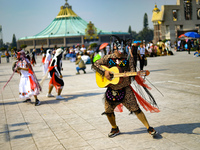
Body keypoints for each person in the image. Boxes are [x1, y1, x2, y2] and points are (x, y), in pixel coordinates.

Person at [92, 36, 159, 138]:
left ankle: (148, 127)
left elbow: (132, 70)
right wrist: (104, 71)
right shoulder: (108, 58)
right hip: (112, 88)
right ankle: (114, 128)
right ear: (115, 48)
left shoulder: (128, 58)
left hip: (125, 89)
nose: (121, 53)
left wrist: (132, 73)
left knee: (136, 109)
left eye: (122, 51)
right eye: (119, 51)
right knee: (108, 111)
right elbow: (95, 64)